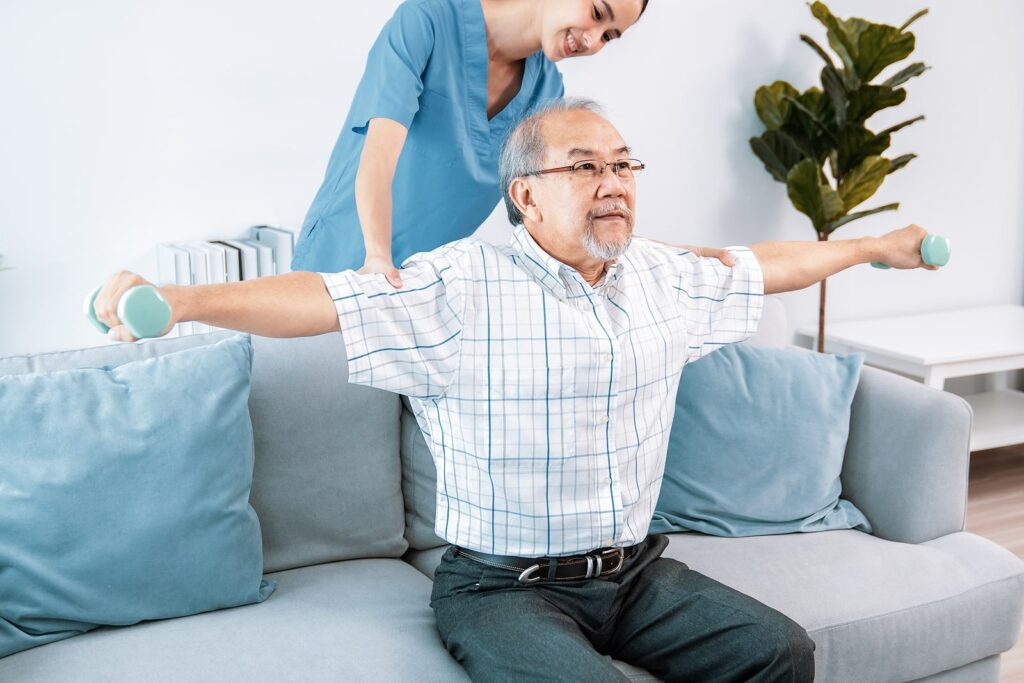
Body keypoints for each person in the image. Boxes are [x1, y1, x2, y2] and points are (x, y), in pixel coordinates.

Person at [95, 98, 940, 681]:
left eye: (623, 164)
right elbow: (323, 296)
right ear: (525, 195)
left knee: (779, 651)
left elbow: (767, 265)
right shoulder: (460, 284)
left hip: (639, 575)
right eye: (585, 167)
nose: (614, 182)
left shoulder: (659, 276)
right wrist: (182, 303)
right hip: (503, 587)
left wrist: (874, 246)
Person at [290, 0, 707, 286]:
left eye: (609, 36)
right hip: (346, 256)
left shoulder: (546, 92)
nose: (592, 39)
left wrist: (660, 256)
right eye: (597, 13)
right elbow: (377, 157)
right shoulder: (427, 20)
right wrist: (377, 258)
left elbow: (562, 208)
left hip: (422, 286)